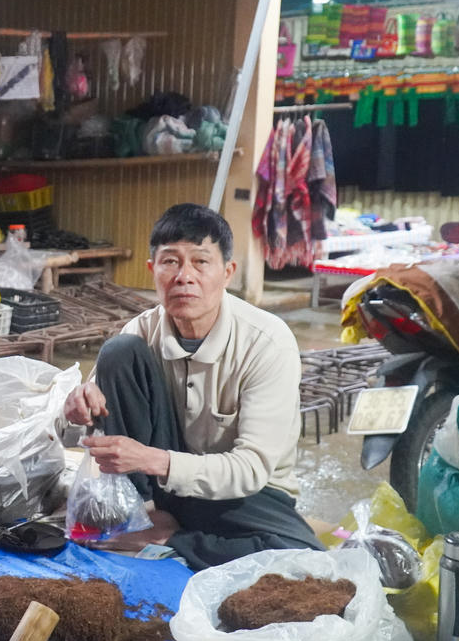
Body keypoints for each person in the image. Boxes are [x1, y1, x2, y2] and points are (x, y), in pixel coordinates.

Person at [63, 203, 323, 570]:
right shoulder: (141, 329)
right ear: (153, 271)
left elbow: (250, 470)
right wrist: (76, 409)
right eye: (170, 262)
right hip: (161, 488)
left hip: (247, 494)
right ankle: (145, 514)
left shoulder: (267, 342)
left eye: (201, 262)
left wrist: (152, 459)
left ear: (227, 272)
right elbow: (78, 428)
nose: (184, 276)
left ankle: (169, 536)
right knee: (119, 352)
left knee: (301, 558)